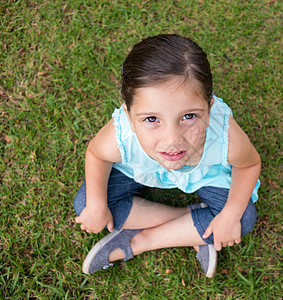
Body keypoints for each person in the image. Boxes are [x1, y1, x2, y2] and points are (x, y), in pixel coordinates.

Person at [74, 34, 260, 278]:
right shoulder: (121, 138)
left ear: (210, 108)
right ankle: (190, 220)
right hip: (139, 169)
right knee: (87, 203)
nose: (172, 139)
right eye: (152, 119)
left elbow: (249, 164)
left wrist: (231, 214)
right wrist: (97, 205)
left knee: (242, 218)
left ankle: (141, 241)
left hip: (206, 176)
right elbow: (97, 155)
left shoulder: (225, 137)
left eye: (189, 116)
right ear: (128, 116)